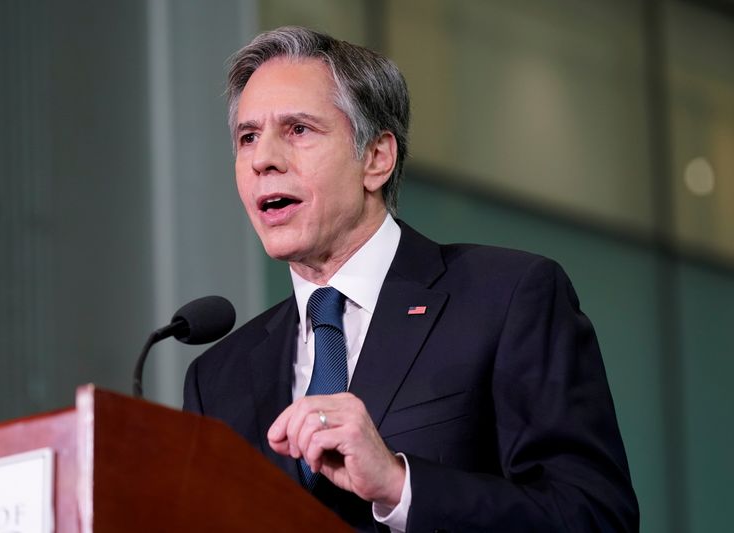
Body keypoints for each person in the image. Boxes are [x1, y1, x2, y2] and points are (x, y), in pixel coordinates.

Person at [183, 26, 639, 532]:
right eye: (248, 137)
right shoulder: (216, 379)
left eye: (297, 130)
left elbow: (595, 516)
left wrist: (399, 486)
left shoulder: (507, 297)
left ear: (376, 158)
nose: (262, 159)